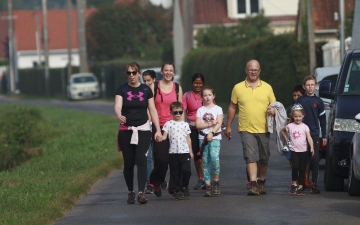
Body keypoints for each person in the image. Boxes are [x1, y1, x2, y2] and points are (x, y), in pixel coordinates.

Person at [224, 59, 276, 196]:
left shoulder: (267, 87)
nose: (253, 72)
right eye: (251, 69)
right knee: (250, 156)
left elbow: (275, 106)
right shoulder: (238, 88)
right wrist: (228, 126)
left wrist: (274, 111)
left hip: (264, 128)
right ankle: (253, 184)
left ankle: (261, 181)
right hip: (246, 128)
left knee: (264, 158)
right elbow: (232, 107)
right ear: (246, 70)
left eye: (256, 70)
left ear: (260, 71)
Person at [114, 62, 162, 204]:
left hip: (143, 128)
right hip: (126, 129)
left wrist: (158, 130)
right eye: (129, 73)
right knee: (128, 162)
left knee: (141, 159)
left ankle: (141, 192)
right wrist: (118, 114)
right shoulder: (121, 89)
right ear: (126, 74)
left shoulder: (146, 90)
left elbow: (152, 109)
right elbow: (117, 105)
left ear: (139, 73)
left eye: (134, 72)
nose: (131, 75)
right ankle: (131, 192)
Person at [146, 61, 183, 197]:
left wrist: (183, 128)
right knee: (161, 158)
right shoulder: (154, 87)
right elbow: (149, 107)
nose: (168, 73)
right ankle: (157, 181)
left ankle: (174, 188)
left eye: (171, 70)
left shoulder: (177, 88)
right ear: (161, 72)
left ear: (174, 72)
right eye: (166, 70)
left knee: (175, 159)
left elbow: (181, 109)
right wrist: (152, 124)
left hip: (174, 127)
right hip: (159, 127)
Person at [296, 75, 326, 194]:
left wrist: (324, 135)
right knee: (302, 159)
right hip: (301, 133)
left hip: (314, 133)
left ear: (316, 86)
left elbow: (322, 120)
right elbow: (295, 116)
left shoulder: (318, 101)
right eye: (308, 85)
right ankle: (301, 183)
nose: (310, 87)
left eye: (312, 85)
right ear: (304, 87)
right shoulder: (300, 100)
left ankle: (314, 183)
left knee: (314, 158)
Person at [162, 101, 193, 200]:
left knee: (186, 171)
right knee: (175, 173)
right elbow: (164, 136)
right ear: (171, 113)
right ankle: (178, 190)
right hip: (173, 152)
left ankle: (185, 186)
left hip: (184, 151)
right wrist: (159, 137)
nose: (178, 114)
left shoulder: (185, 124)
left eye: (180, 112)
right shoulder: (168, 124)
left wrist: (190, 151)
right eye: (175, 112)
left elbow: (188, 138)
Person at [195, 86, 223, 197]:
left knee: (215, 159)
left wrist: (211, 133)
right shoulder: (200, 110)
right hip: (202, 138)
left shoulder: (218, 109)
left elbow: (219, 123)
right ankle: (207, 184)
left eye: (209, 95)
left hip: (215, 137)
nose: (207, 97)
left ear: (213, 96)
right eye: (205, 95)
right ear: (202, 97)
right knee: (205, 162)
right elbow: (198, 125)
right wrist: (210, 124)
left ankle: (216, 182)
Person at [281, 103, 314, 196]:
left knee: (302, 169)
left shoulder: (305, 127)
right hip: (294, 150)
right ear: (292, 116)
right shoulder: (290, 126)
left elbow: (309, 137)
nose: (298, 118)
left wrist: (311, 147)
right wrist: (287, 139)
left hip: (303, 150)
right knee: (295, 167)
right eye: (295, 116)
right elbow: (283, 130)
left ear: (303, 116)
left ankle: (300, 186)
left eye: (299, 116)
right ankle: (294, 183)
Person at [182, 73, 206, 190]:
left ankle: (209, 178)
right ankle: (201, 178)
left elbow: (214, 110)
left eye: (200, 83)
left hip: (205, 129)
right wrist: (181, 127)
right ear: (192, 83)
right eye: (196, 83)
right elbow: (183, 112)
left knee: (207, 154)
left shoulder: (206, 95)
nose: (198, 85)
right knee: (197, 154)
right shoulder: (186, 96)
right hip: (192, 130)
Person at [142, 70, 157, 189]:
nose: (146, 83)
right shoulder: (141, 92)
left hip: (157, 126)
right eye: (144, 81)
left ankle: (158, 179)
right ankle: (149, 183)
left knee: (159, 157)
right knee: (148, 157)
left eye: (148, 80)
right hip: (145, 126)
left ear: (154, 80)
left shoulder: (158, 92)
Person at [285, 85, 306, 169]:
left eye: (298, 95)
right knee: (291, 157)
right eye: (294, 95)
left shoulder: (305, 107)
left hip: (303, 137)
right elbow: (287, 124)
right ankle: (295, 177)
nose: (296, 97)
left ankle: (305, 177)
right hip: (292, 137)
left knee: (304, 159)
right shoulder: (290, 108)